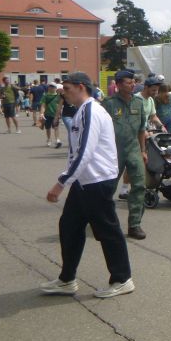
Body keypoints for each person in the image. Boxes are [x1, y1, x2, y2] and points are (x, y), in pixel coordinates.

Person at [40, 72, 134, 299]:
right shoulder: (82, 110)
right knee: (69, 227)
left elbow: (85, 152)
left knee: (107, 231)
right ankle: (67, 279)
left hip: (97, 181)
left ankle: (122, 279)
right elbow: (77, 152)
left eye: (67, 88)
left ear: (81, 87)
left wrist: (61, 183)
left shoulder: (91, 110)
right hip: (85, 181)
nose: (64, 93)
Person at [102, 70, 148, 240]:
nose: (133, 85)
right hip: (113, 152)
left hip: (134, 149)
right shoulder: (109, 104)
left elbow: (142, 129)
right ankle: (104, 222)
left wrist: (143, 150)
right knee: (109, 188)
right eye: (129, 82)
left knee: (139, 185)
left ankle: (134, 225)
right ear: (119, 84)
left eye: (133, 82)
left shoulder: (138, 102)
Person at [39, 83, 62, 148]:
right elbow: (43, 105)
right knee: (48, 128)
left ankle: (57, 139)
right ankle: (49, 139)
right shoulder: (45, 96)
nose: (51, 88)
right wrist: (41, 113)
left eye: (53, 87)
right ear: (48, 88)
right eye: (50, 86)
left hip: (55, 114)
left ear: (55, 88)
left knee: (56, 127)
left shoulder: (58, 96)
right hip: (47, 114)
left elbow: (60, 105)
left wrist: (60, 113)